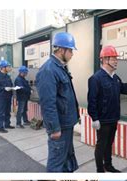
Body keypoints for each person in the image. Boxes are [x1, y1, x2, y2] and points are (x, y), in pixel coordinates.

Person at [87, 45, 127, 172]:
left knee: (109, 144)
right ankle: (100, 170)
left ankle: (108, 165)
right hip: (103, 120)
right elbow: (92, 101)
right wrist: (94, 118)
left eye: (116, 58)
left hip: (113, 118)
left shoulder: (115, 78)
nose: (116, 61)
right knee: (101, 146)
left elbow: (124, 89)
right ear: (105, 60)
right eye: (113, 58)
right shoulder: (96, 78)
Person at [36, 32, 80, 172]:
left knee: (67, 160)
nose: (72, 54)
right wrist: (54, 128)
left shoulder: (60, 68)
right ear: (61, 50)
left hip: (66, 124)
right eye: (70, 50)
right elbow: (48, 104)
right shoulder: (48, 70)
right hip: (59, 127)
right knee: (56, 165)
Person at [0, 60, 15, 133]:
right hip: (1, 97)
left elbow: (10, 85)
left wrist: (13, 88)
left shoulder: (7, 76)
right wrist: (4, 88)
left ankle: (7, 124)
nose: (9, 68)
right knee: (1, 112)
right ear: (3, 68)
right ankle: (0, 127)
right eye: (8, 67)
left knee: (8, 111)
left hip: (8, 96)